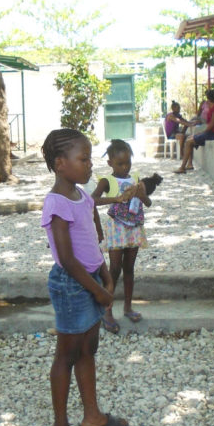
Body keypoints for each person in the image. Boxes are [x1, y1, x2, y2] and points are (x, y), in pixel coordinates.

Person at [41, 128, 130, 426]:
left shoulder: (81, 196)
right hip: (72, 284)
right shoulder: (56, 202)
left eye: (90, 159)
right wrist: (98, 291)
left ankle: (92, 416)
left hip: (91, 278)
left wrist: (106, 275)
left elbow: (93, 242)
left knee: (88, 348)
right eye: (84, 159)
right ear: (61, 163)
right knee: (67, 354)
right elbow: (66, 259)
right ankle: (59, 425)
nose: (91, 165)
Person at [91, 139, 150, 332]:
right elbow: (92, 200)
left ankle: (128, 307)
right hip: (117, 228)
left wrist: (141, 194)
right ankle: (107, 310)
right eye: (120, 164)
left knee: (129, 268)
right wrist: (116, 198)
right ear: (110, 164)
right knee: (114, 269)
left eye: (128, 163)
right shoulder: (107, 181)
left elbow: (148, 202)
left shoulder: (135, 178)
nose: (125, 167)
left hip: (134, 226)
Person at [175, 88, 214, 174]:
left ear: (209, 98)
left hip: (212, 134)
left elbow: (211, 124)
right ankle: (189, 164)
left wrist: (202, 132)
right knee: (190, 138)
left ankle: (183, 167)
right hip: (210, 132)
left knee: (189, 141)